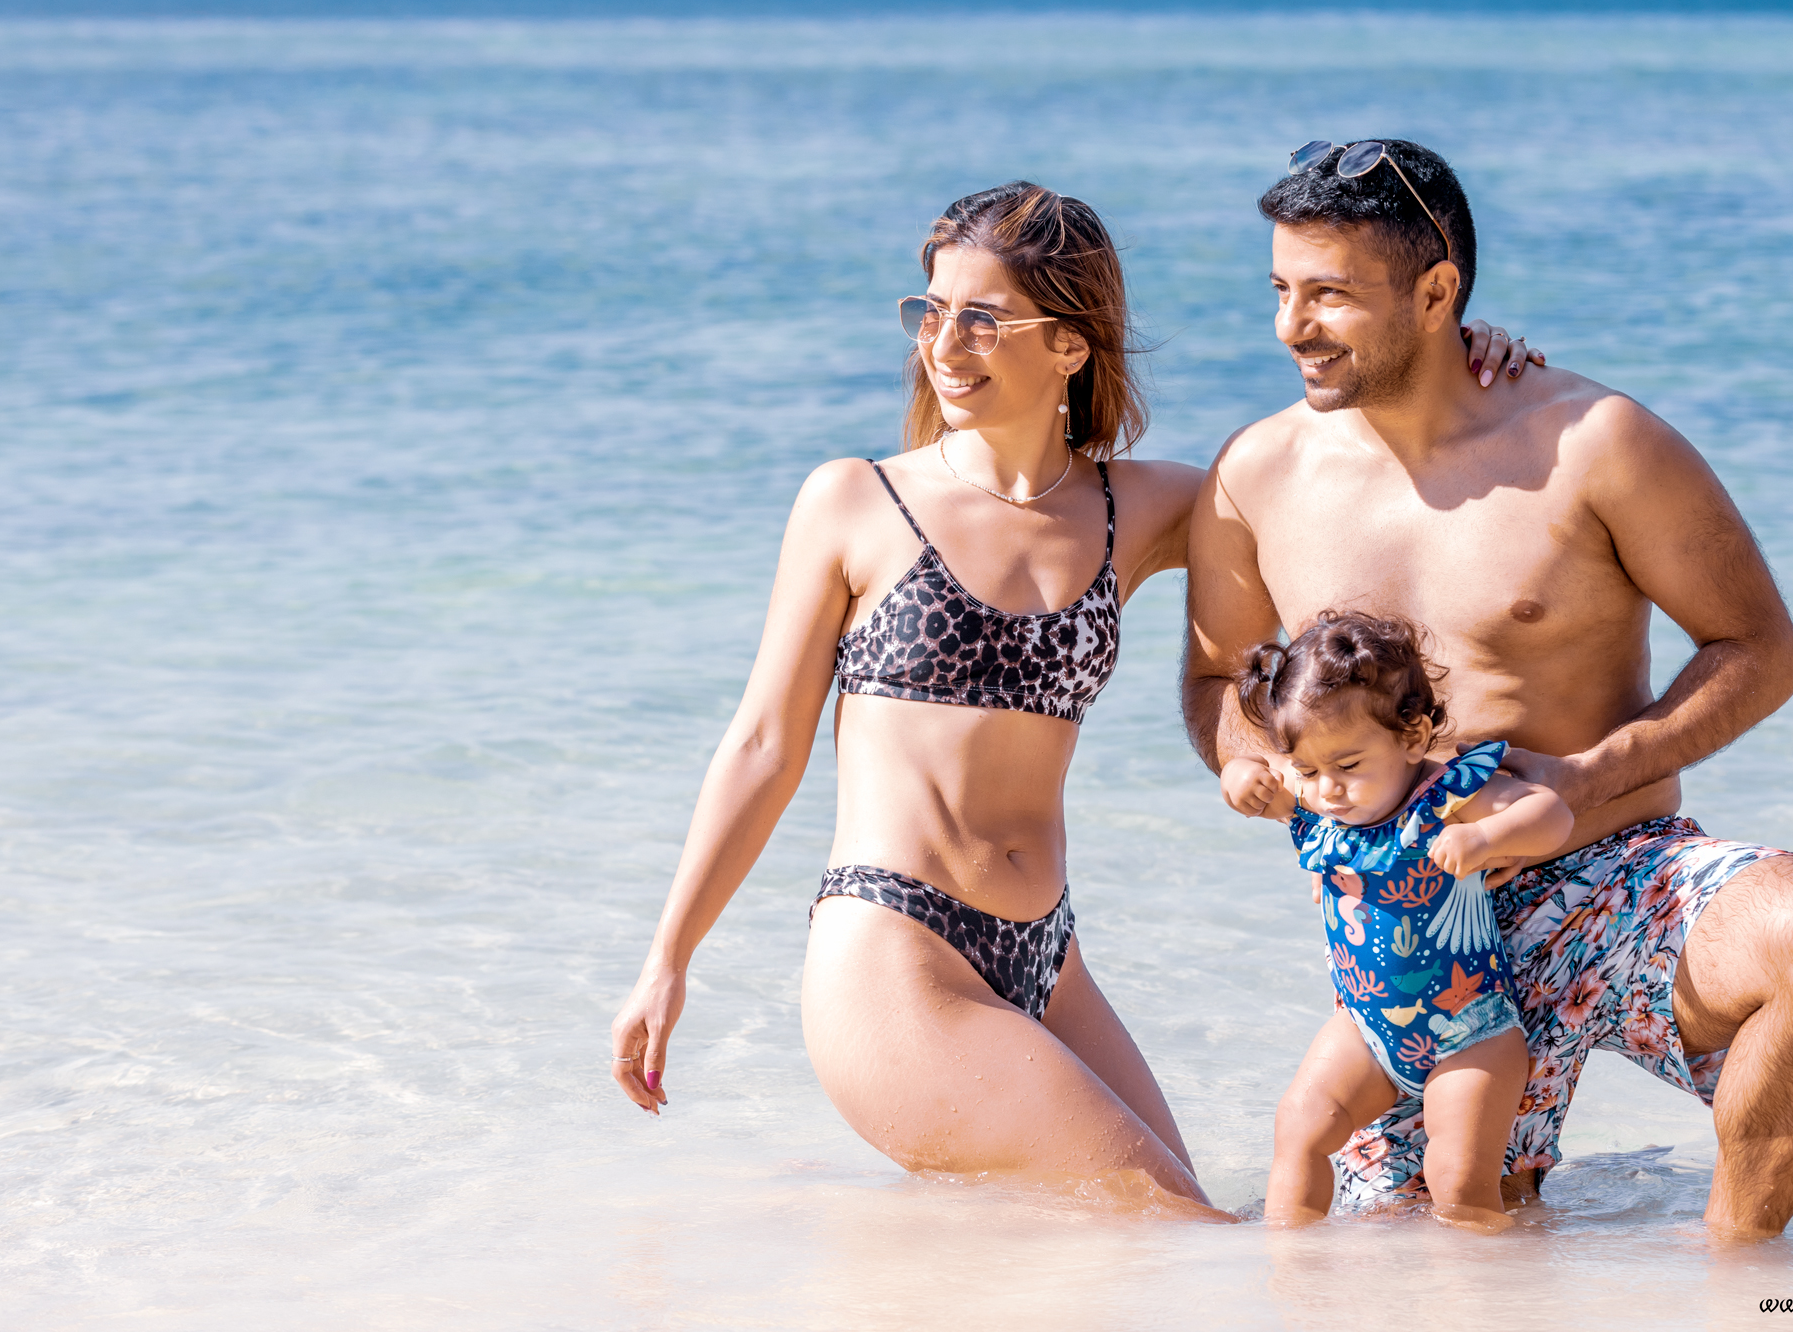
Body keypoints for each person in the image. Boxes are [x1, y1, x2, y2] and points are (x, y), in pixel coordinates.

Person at [606, 175, 1550, 1207]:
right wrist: (667, 959)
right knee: (1180, 1233)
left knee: (1183, 1227)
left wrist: (1453, 349)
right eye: (931, 311)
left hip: (1048, 960)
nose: (944, 342)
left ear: (1069, 344)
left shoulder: (1138, 506)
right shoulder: (856, 500)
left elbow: (1337, 462)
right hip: (894, 948)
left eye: (981, 318)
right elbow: (760, 746)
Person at [1182, 138, 1793, 1239]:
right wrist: (1247, 756)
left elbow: (1758, 647)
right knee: (1414, 1261)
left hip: (1613, 872)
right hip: (1412, 936)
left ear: (1435, 292)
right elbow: (1221, 674)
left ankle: (1740, 1280)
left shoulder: (1595, 442)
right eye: (1279, 288)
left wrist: (1584, 774)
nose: (1290, 325)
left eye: (1328, 294)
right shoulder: (1253, 475)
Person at [1218, 611, 1573, 1227]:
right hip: (1367, 1028)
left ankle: (1479, 1293)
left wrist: (1486, 837)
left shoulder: (1443, 798)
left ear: (1411, 738)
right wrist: (1238, 775)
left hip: (1472, 1031)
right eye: (1309, 771)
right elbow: (1254, 779)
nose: (1327, 789)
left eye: (1349, 767)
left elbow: (1551, 813)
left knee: (1457, 1178)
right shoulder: (1320, 805)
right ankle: (1288, 1266)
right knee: (1299, 1127)